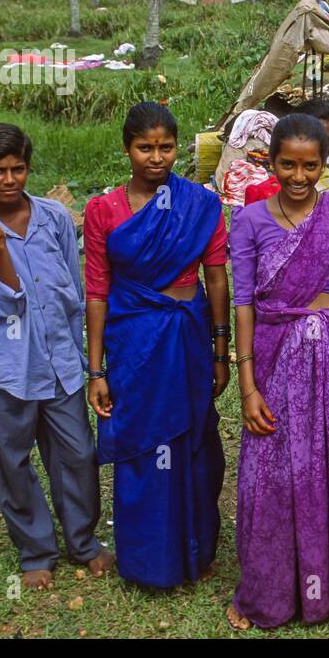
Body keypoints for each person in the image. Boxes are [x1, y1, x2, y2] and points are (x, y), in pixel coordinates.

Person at [227, 114, 329, 630]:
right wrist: (247, 387)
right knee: (267, 477)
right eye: (288, 164)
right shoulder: (248, 222)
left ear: (325, 163)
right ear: (270, 159)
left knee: (323, 473)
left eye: (311, 166)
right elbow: (242, 304)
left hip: (328, 360)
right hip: (269, 357)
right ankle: (266, 592)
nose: (299, 176)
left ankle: (320, 592)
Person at [0, 124, 112, 591]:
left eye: (17, 169)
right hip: (7, 366)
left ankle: (82, 542)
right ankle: (36, 551)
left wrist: (86, 357)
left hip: (60, 359)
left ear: (28, 167)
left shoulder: (56, 218)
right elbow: (5, 302)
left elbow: (72, 289)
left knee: (78, 454)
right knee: (13, 459)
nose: (9, 180)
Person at [84, 102, 230, 587]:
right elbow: (98, 290)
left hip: (188, 335)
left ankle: (196, 550)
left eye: (166, 147)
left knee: (193, 442)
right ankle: (150, 561)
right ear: (127, 148)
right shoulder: (102, 211)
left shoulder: (200, 204)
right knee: (144, 446)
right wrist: (97, 370)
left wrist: (220, 347)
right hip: (135, 342)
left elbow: (217, 278)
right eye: (145, 147)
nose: (156, 157)